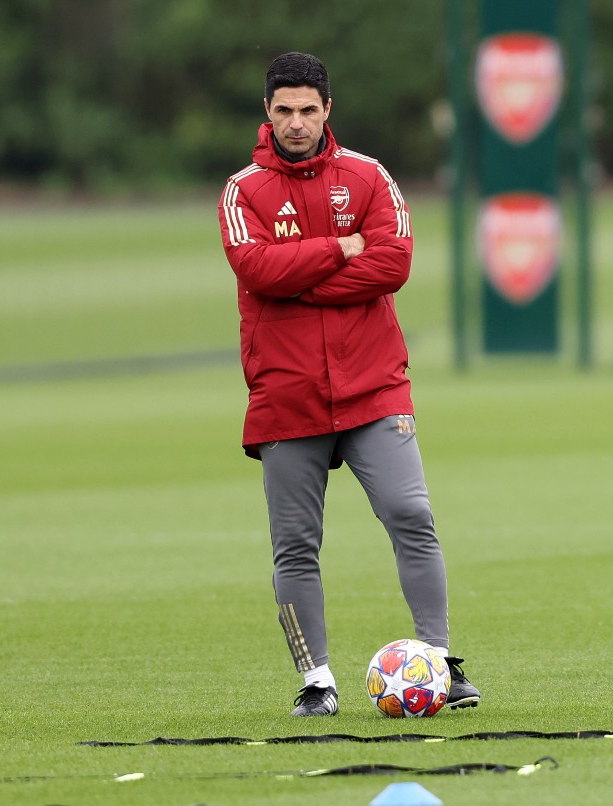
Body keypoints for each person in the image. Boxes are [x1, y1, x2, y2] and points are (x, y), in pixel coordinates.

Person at [216, 52, 480, 717]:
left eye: (309, 110)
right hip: (288, 393)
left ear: (328, 110)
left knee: (411, 515)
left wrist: (300, 281)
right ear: (267, 114)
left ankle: (440, 663)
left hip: (372, 387)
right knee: (296, 546)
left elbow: (393, 262)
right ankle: (317, 682)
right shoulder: (242, 190)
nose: (297, 123)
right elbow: (257, 269)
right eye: (284, 111)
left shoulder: (368, 176)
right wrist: (339, 248)